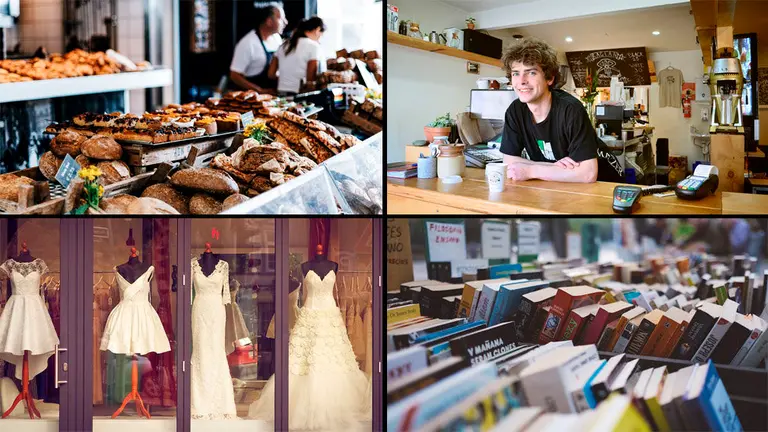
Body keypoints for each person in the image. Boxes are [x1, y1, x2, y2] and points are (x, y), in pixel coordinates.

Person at [499, 38, 623, 183]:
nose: (521, 81)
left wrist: (531, 170)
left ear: (549, 78)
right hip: (562, 184)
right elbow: (508, 161)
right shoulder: (515, 111)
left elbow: (588, 173)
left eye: (531, 72)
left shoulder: (570, 109)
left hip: (606, 185)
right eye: (515, 73)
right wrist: (552, 168)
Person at [229, 2, 288, 94]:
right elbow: (234, 75)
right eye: (281, 18)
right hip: (253, 99)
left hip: (274, 97)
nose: (286, 22)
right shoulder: (248, 43)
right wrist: (259, 91)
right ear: (269, 21)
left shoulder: (277, 38)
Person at [268, 16, 326, 96]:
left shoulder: (283, 45)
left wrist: (286, 79)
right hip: (300, 95)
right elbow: (310, 79)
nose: (320, 38)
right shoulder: (313, 46)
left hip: (281, 93)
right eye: (321, 35)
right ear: (317, 30)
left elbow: (271, 74)